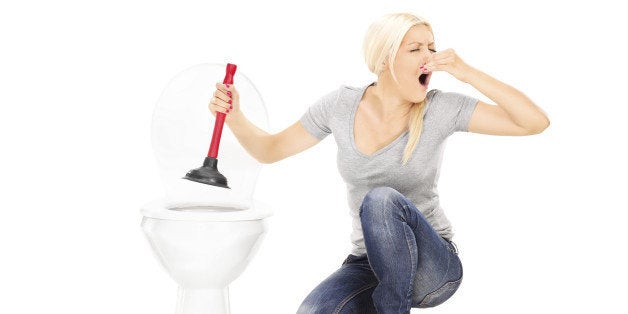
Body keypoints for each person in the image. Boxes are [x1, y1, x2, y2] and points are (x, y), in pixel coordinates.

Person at [208, 12, 550, 314]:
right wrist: (235, 116)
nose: (429, 58)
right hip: (367, 265)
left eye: (432, 48)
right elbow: (270, 150)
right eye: (415, 49)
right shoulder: (340, 106)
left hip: (433, 268)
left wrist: (466, 71)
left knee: (381, 199)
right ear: (385, 59)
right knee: (313, 311)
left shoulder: (439, 109)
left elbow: (533, 122)